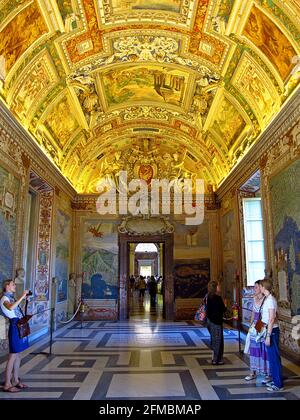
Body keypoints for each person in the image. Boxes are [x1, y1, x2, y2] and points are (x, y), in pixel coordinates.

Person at [0, 280, 30, 393]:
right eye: (13, 284)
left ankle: (15, 380)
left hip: (19, 324)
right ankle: (7, 384)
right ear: (7, 286)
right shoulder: (4, 299)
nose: (15, 286)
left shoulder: (11, 297)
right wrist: (22, 296)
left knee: (18, 355)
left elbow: (16, 309)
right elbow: (11, 308)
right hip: (14, 326)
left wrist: (25, 300)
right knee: (12, 356)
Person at [244, 280, 270, 382]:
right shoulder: (254, 299)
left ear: (261, 288)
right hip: (255, 326)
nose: (254, 289)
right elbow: (253, 314)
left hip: (262, 326)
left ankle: (266, 373)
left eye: (256, 287)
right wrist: (250, 327)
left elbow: (267, 316)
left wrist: (258, 327)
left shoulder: (266, 300)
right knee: (253, 349)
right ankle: (253, 372)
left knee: (263, 349)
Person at [260, 279, 284, 391]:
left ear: (264, 288)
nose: (259, 288)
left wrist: (268, 335)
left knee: (274, 358)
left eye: (260, 286)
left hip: (272, 331)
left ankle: (278, 384)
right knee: (272, 357)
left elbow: (271, 318)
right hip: (268, 329)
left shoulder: (270, 300)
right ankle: (275, 380)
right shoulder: (268, 299)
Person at [206, 280, 227, 365]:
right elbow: (223, 309)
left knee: (214, 340)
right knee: (218, 341)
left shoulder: (208, 297)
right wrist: (225, 304)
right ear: (215, 287)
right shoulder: (218, 298)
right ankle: (216, 359)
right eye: (218, 285)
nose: (220, 287)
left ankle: (216, 358)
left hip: (210, 321)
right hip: (217, 322)